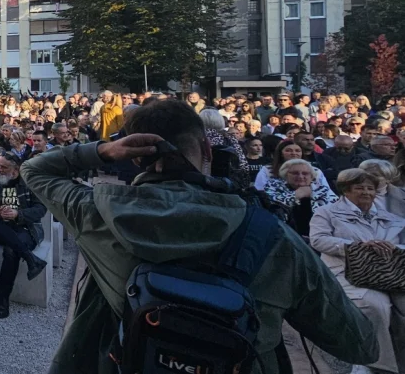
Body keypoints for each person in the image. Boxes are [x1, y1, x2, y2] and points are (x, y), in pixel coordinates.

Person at [20, 97, 377, 374]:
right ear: (208, 150)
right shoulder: (275, 236)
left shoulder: (98, 213)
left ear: (134, 158)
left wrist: (101, 150)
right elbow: (360, 346)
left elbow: (36, 169)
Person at [310, 168, 405, 374]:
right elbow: (318, 240)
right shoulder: (326, 212)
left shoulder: (387, 214)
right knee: (374, 306)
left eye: (370, 188)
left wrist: (394, 248)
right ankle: (376, 363)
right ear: (346, 190)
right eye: (359, 187)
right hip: (349, 272)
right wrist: (356, 246)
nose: (366, 192)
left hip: (391, 273)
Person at [0, 153, 49, 318]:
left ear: (15, 169)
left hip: (25, 229)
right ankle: (31, 259)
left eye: (4, 167)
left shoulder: (29, 183)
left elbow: (41, 209)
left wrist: (18, 214)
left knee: (11, 251)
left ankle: (2, 300)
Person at [263, 158, 337, 237]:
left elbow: (336, 213)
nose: (301, 176)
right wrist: (295, 195)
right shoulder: (274, 187)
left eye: (305, 173)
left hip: (322, 235)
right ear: (285, 175)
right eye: (295, 173)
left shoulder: (323, 190)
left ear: (312, 177)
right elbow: (272, 210)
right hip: (286, 236)